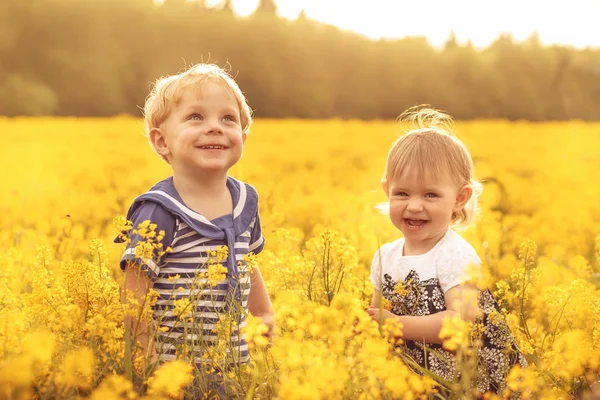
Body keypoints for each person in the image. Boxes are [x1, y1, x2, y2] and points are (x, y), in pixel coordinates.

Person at [115, 63, 275, 393]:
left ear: (243, 138)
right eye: (196, 117)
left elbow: (246, 262)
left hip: (235, 369)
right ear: (162, 141)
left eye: (227, 118)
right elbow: (134, 294)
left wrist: (265, 314)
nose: (214, 128)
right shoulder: (158, 210)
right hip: (175, 376)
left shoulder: (247, 200)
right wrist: (147, 363)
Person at [366, 106, 526, 395]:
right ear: (387, 190)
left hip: (461, 381)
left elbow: (461, 322)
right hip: (410, 379)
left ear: (459, 199)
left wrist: (396, 325)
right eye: (402, 193)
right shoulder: (384, 257)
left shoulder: (454, 255)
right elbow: (377, 315)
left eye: (430, 195)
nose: (414, 205)